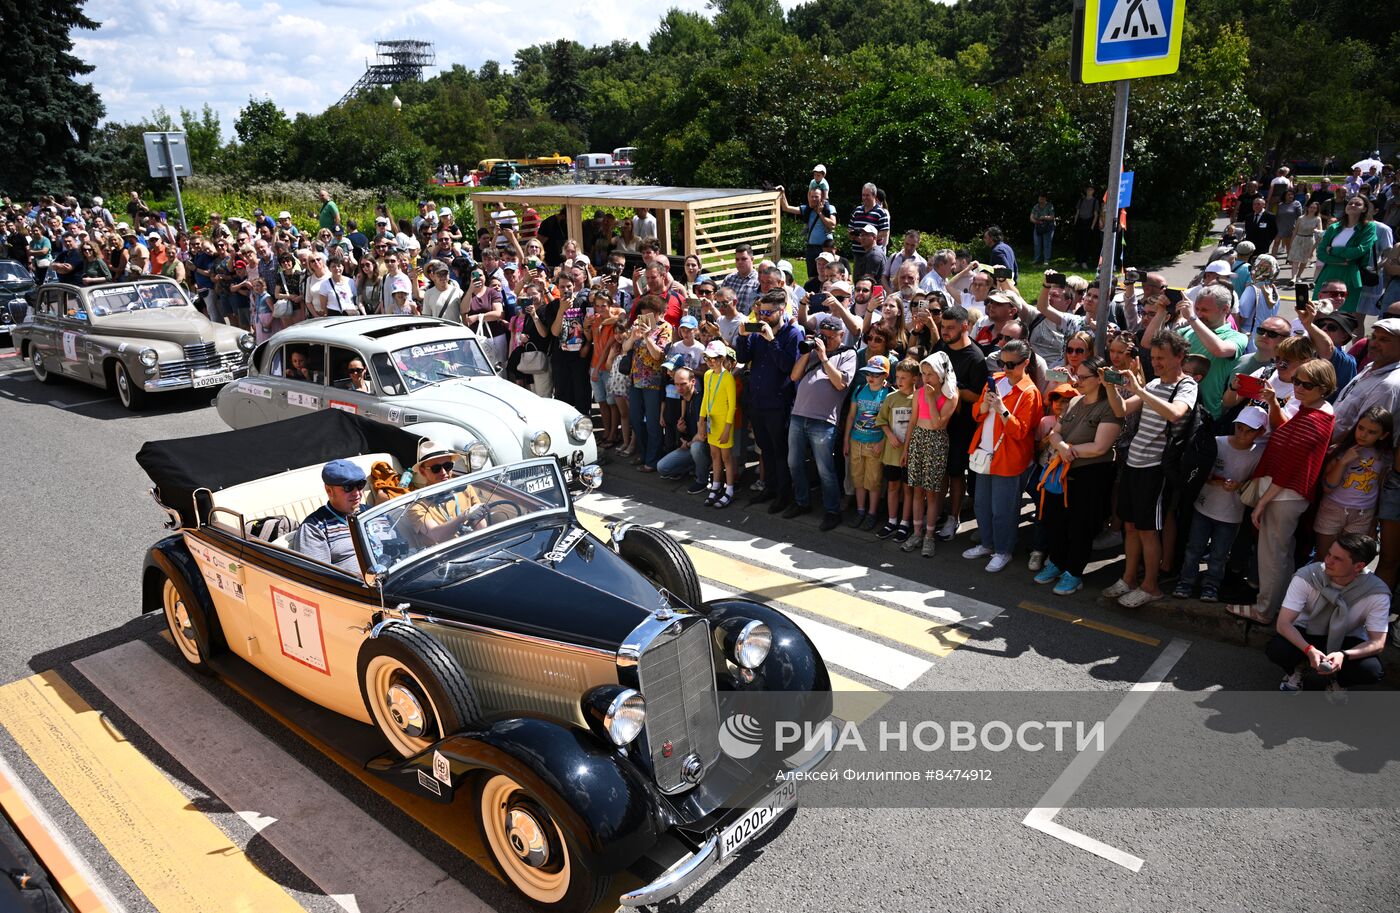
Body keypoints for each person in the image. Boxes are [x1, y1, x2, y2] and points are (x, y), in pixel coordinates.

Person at [1227, 359, 1337, 624]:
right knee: (1281, 553)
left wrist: (1263, 502)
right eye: (1296, 380)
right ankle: (1281, 606)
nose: (1298, 387)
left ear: (1323, 388)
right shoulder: (1314, 409)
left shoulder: (1315, 418)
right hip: (1286, 492)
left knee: (1271, 556)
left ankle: (1264, 611)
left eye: (1306, 384)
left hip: (1285, 493)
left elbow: (1290, 467)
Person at [1103, 330, 1197, 608]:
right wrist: (1109, 385)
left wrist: (1140, 390)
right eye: (1153, 357)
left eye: (1162, 358)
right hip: (1134, 463)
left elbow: (1176, 413)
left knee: (1148, 530)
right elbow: (1121, 411)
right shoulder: (1154, 384)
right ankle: (1129, 578)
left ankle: (1151, 586)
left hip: (1155, 470)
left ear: (1180, 356)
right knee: (1130, 526)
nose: (1156, 363)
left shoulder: (1187, 385)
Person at [1031, 356, 1125, 594]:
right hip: (1062, 471)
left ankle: (1073, 573)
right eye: (1076, 374)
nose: (1076, 380)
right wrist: (1062, 447)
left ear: (1100, 379)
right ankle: (1056, 562)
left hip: (1090, 476)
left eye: (1083, 377)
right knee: (1054, 521)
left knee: (1081, 527)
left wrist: (1066, 449)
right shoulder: (1075, 402)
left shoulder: (1109, 408)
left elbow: (1100, 447)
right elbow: (1055, 433)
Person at [1266, 534, 1389, 693]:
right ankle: (1296, 670)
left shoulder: (1376, 593)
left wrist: (1344, 655)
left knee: (1371, 670)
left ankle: (1338, 680)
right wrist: (1308, 649)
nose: (1328, 561)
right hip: (1306, 632)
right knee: (1278, 649)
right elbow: (1283, 624)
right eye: (1329, 553)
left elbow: (1377, 643)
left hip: (1347, 637)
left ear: (1359, 566)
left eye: (1337, 559)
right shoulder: (1308, 576)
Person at [1172, 406, 1268, 602]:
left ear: (1260, 433)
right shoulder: (1217, 443)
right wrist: (1210, 480)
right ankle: (1186, 581)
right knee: (1194, 548)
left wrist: (1239, 485)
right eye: (1239, 427)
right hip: (1204, 506)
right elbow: (1199, 472)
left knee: (1219, 554)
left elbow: (1257, 483)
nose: (1242, 433)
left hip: (1232, 514)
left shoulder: (1259, 454)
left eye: (1249, 430)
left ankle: (1211, 585)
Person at [962, 339, 1042, 572]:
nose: (1004, 369)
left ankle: (1003, 551)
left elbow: (1020, 432)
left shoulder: (1030, 392)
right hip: (985, 453)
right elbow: (976, 413)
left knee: (1003, 510)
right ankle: (988, 544)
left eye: (1011, 364)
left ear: (1025, 363)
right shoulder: (994, 381)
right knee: (982, 505)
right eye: (1001, 363)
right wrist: (985, 407)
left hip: (1009, 458)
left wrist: (1001, 409)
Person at [784, 314, 857, 530]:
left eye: (829, 336)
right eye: (821, 336)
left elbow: (841, 384)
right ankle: (802, 502)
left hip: (824, 421)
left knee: (825, 469)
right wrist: (808, 353)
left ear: (841, 335)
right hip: (799, 415)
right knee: (794, 463)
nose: (824, 340)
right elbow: (795, 376)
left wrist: (825, 358)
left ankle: (832, 511)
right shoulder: (813, 353)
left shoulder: (848, 353)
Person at [737, 290, 803, 511]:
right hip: (757, 402)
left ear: (781, 310)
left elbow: (787, 366)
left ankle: (784, 494)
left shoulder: (792, 334)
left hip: (779, 403)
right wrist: (742, 337)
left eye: (768, 312)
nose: (763, 316)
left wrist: (772, 340)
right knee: (765, 449)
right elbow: (742, 358)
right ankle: (770, 488)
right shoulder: (757, 333)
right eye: (761, 311)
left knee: (779, 451)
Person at [935, 304, 990, 541]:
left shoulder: (976, 358)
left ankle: (952, 518)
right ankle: (936, 513)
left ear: (965, 327)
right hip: (937, 422)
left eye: (950, 327)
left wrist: (953, 388)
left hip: (961, 426)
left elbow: (979, 396)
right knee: (940, 472)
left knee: (956, 474)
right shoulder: (940, 347)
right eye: (942, 327)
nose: (945, 332)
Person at [899, 353, 958, 556]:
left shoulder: (951, 394)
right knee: (917, 490)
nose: (926, 378)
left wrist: (932, 398)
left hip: (936, 442)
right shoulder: (918, 393)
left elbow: (937, 424)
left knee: (931, 493)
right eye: (924, 374)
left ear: (941, 374)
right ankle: (916, 533)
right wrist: (906, 449)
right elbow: (913, 422)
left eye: (930, 374)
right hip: (918, 440)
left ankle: (929, 536)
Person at [1315, 406, 1392, 561]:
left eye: (1372, 432)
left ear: (1383, 435)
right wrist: (1342, 462)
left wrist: (1374, 522)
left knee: (1348, 560)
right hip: (1332, 509)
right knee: (1325, 557)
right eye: (1361, 428)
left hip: (1363, 514)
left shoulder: (1384, 457)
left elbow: (1380, 489)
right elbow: (1328, 487)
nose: (1363, 435)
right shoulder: (1340, 450)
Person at [403, 443, 490, 548]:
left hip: (471, 547)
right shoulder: (416, 504)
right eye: (436, 468)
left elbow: (481, 527)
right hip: (443, 556)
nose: (443, 472)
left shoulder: (465, 487)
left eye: (447, 466)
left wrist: (479, 515)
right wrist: (463, 516)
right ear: (423, 471)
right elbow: (436, 535)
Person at [291, 460, 367, 573]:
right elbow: (319, 577)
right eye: (348, 487)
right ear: (329, 490)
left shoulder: (372, 512)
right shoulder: (314, 528)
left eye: (360, 485)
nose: (357, 493)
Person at [845, 354, 892, 529]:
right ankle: (860, 511)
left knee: (873, 480)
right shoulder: (859, 389)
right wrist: (846, 440)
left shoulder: (888, 394)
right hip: (856, 440)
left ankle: (872, 513)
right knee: (858, 478)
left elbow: (891, 422)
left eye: (876, 374)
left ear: (885, 375)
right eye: (868, 374)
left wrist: (883, 442)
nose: (871, 378)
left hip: (876, 442)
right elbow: (851, 416)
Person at [1315, 195, 1379, 313]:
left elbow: (1359, 251)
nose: (1353, 205)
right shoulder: (1334, 227)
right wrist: (1340, 260)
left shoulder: (1369, 227)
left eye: (1357, 204)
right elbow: (1320, 253)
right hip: (1328, 271)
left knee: (1342, 314)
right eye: (1350, 203)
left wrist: (1333, 250)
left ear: (1364, 209)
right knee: (1319, 311)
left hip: (1350, 273)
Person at [698, 341, 739, 508]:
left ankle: (729, 489)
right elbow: (705, 398)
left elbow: (732, 405)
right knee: (714, 455)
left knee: (726, 458)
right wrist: (701, 420)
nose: (710, 361)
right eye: (708, 358)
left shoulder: (728, 377)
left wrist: (728, 428)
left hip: (723, 424)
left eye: (714, 358)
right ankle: (716, 485)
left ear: (722, 358)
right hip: (711, 422)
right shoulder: (708, 375)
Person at [1288, 201, 1324, 282]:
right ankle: (1293, 278)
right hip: (1298, 239)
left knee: (1304, 260)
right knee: (1295, 259)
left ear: (1317, 210)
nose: (1312, 209)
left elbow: (1320, 231)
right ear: (1308, 208)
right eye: (1311, 207)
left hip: (1309, 240)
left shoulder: (1317, 219)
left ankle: (1299, 276)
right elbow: (1295, 231)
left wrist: (1316, 230)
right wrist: (1291, 242)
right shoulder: (1301, 218)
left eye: (1314, 208)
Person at [1030, 193, 1056, 264]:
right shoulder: (1036, 206)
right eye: (1040, 198)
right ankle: (1036, 259)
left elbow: (1052, 217)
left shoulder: (1050, 206)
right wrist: (1036, 221)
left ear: (1045, 199)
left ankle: (1046, 260)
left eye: (1042, 198)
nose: (1040, 199)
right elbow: (1031, 217)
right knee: (1037, 244)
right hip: (1038, 227)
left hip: (1048, 227)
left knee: (1047, 243)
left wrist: (1044, 217)